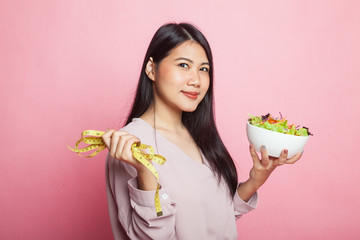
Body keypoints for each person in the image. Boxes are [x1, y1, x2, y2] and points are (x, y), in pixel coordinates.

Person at [101, 22, 302, 240]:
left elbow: (211, 216)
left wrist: (255, 180)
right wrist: (146, 173)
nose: (196, 80)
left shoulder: (199, 136)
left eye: (203, 69)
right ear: (151, 69)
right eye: (183, 65)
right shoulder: (131, 147)